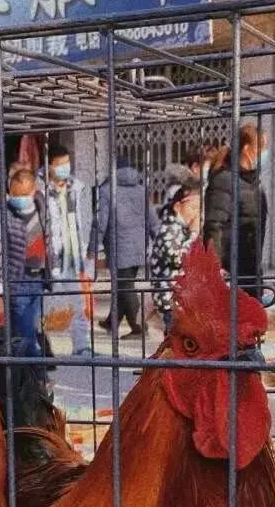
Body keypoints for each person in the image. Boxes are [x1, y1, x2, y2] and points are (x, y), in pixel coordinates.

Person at [0, 167, 47, 356]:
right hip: (16, 280)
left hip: (39, 279)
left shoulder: (44, 209)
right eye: (15, 194)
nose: (19, 199)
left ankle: (22, 367)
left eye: (24, 194)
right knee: (25, 330)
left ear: (33, 191)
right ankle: (37, 368)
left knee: (30, 327)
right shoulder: (1, 215)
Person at [91, 156, 159, 338]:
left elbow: (100, 222)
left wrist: (93, 247)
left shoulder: (106, 191)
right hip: (139, 246)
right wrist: (158, 240)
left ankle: (139, 328)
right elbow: (152, 219)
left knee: (126, 286)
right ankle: (111, 322)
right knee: (123, 284)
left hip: (119, 247)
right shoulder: (141, 190)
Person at [38, 146, 94, 356]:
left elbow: (85, 220)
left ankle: (81, 345)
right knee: (43, 306)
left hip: (72, 257)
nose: (64, 168)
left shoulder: (76, 188)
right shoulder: (40, 190)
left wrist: (87, 252)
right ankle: (40, 347)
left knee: (77, 303)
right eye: (59, 164)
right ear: (49, 166)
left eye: (66, 163)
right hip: (49, 258)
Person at [203, 124, 269, 297]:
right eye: (262, 148)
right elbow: (214, 225)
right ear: (247, 149)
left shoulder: (253, 183)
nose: (265, 154)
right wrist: (215, 268)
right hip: (231, 269)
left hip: (249, 268)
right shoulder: (225, 180)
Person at [148, 166, 202, 333]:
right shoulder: (168, 230)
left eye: (198, 209)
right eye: (193, 208)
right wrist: (194, 234)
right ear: (178, 207)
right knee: (175, 337)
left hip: (181, 299)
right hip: (170, 299)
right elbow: (179, 258)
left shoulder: (181, 229)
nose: (196, 214)